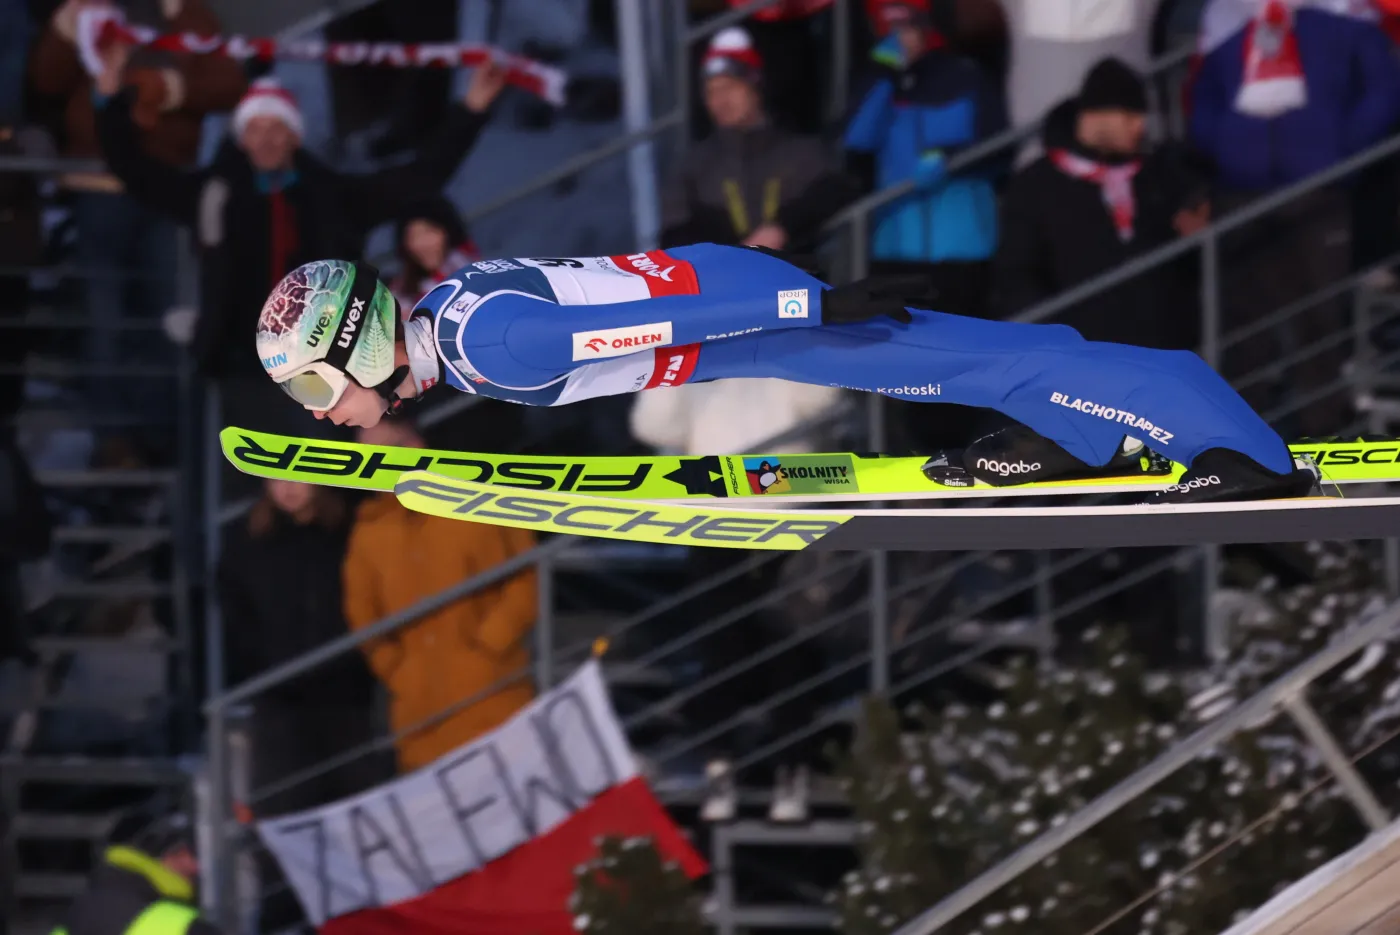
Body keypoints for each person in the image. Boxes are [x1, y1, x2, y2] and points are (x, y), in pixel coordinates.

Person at [252, 247, 1318, 504]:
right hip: (732, 323)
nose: (330, 416)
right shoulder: (450, 313)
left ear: (360, 343)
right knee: (936, 376)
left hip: (737, 317)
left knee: (959, 358)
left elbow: (654, 319)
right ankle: (1072, 434)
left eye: (316, 389)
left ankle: (1232, 444)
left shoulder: (490, 345)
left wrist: (803, 304)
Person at [93, 47, 507, 495]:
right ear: (243, 137)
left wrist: (472, 109)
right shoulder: (214, 194)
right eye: (256, 128)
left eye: (278, 128)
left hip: (327, 368)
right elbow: (135, 172)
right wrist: (109, 99)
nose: (267, 138)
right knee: (247, 487)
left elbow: (419, 177)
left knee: (324, 484)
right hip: (239, 367)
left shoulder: (333, 197)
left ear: (294, 137)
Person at [29, 0, 246, 464]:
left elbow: (230, 83)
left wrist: (169, 89)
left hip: (165, 188)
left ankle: (163, 444)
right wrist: (68, 29)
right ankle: (115, 443)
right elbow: (46, 79)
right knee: (104, 319)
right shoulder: (89, 10)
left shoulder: (189, 16)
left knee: (164, 318)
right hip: (96, 182)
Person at [1189, 0, 1400, 435]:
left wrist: (1341, 152)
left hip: (1317, 194)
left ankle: (1322, 438)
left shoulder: (1344, 18)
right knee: (1243, 328)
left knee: (1318, 322)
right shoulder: (1227, 21)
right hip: (1240, 194)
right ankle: (1239, 445)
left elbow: (1383, 87)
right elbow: (1202, 95)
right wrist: (1226, 148)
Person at [343, 416, 538, 773]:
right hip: (421, 714)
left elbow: (525, 574)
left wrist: (491, 645)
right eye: (366, 460)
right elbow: (362, 612)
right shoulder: (369, 531)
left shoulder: (477, 496)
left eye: (385, 454)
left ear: (415, 446)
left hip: (494, 693)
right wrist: (396, 668)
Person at [992, 57, 1210, 349]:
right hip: (1081, 358)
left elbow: (1193, 260)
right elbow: (1017, 272)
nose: (1140, 126)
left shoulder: (1162, 174)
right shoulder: (1036, 183)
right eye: (1129, 116)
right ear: (1096, 116)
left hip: (1162, 354)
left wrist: (1195, 238)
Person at [843, 0, 1009, 317]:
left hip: (963, 248)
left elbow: (999, 152)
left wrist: (950, 160)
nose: (899, 37)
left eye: (906, 27)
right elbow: (855, 142)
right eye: (889, 29)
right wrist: (884, 74)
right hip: (895, 247)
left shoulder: (967, 76)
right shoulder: (875, 81)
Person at [660, 26, 861, 252]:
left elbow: (839, 189)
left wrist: (782, 227)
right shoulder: (695, 165)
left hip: (794, 281)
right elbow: (673, 234)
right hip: (724, 282)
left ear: (755, 86)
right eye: (711, 92)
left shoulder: (801, 153)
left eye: (730, 88)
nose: (720, 101)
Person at [51, 802, 222, 935]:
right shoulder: (184, 926)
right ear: (162, 856)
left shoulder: (79, 911)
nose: (197, 867)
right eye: (188, 854)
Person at [389, 196, 480, 314]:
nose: (422, 243)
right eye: (413, 236)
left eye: (429, 232)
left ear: (448, 231)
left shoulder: (470, 271)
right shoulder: (402, 286)